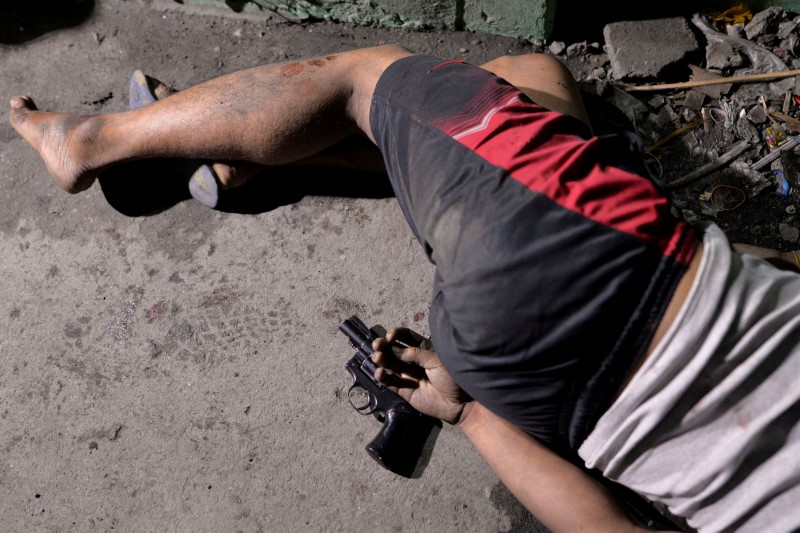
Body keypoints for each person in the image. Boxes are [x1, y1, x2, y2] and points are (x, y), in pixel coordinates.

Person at [9, 44, 800, 533]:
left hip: (608, 251)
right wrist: (470, 411)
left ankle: (92, 141)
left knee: (370, 79)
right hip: (541, 398)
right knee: (528, 86)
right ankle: (232, 161)